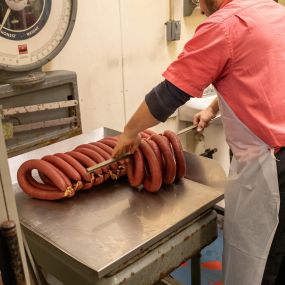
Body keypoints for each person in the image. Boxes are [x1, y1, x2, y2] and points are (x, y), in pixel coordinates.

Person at [112, 0, 285, 284]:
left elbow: (168, 94)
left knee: (264, 262)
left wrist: (130, 132)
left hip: (272, 167)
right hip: (273, 155)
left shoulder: (222, 26)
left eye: (197, 1)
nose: (200, 9)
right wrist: (212, 109)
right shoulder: (273, 12)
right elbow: (254, 76)